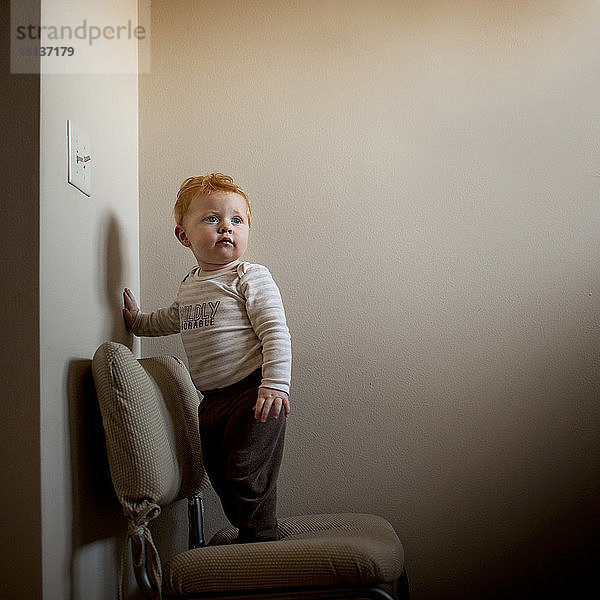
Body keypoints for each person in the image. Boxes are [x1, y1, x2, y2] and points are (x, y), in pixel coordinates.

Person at [123, 173, 291, 543]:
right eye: (211, 219)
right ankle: (250, 532)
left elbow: (275, 332)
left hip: (254, 393)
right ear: (184, 235)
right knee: (218, 471)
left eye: (237, 220)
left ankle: (262, 537)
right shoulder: (190, 284)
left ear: (247, 230)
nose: (226, 228)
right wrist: (137, 323)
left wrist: (275, 385)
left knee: (247, 469)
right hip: (212, 401)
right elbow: (172, 318)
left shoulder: (250, 276)